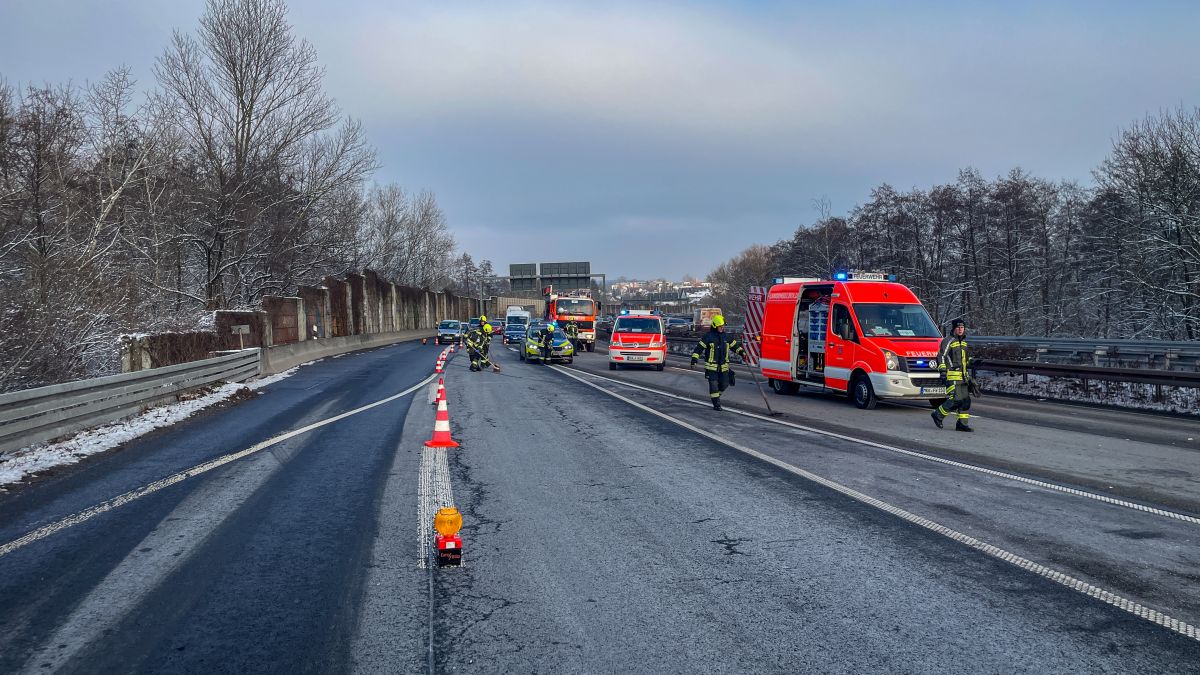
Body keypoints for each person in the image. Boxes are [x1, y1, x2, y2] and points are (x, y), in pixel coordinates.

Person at [690, 315, 746, 410]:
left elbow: (735, 346)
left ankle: (716, 397)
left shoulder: (726, 337)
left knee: (724, 384)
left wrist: (742, 352)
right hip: (711, 367)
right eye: (720, 326)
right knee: (714, 385)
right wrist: (694, 360)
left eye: (723, 326)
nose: (722, 328)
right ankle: (716, 404)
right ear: (715, 326)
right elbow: (699, 348)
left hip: (723, 367)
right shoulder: (708, 337)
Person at [932, 318, 976, 432]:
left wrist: (972, 362)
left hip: (963, 377)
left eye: (962, 328)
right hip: (951, 376)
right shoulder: (948, 341)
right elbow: (941, 356)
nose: (960, 330)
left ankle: (962, 424)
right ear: (954, 328)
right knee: (955, 399)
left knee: (966, 401)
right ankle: (937, 415)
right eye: (958, 328)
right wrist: (942, 371)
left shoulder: (964, 343)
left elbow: (965, 360)